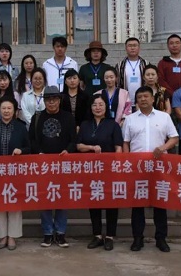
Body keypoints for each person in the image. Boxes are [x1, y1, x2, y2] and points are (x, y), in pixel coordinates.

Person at [123, 86, 179, 253]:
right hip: (137, 167)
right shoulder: (130, 119)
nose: (143, 99)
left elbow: (174, 137)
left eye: (146, 96)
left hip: (158, 166)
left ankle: (161, 238)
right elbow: (125, 142)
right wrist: (127, 161)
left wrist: (163, 148)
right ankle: (137, 238)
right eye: (140, 97)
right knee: (137, 204)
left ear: (153, 99)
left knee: (160, 203)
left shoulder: (164, 117)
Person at [29, 86, 77, 248]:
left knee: (62, 198)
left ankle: (61, 233)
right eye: (48, 99)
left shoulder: (68, 117)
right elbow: (31, 140)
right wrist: (39, 152)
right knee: (45, 198)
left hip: (63, 165)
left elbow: (73, 139)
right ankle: (48, 233)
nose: (51, 102)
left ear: (59, 100)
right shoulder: (37, 117)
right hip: (43, 166)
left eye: (55, 99)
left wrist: (68, 150)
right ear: (44, 101)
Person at [76, 95, 123, 251]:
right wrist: (91, 148)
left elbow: (118, 147)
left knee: (111, 203)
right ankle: (97, 235)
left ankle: (109, 236)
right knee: (94, 202)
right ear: (90, 108)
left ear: (106, 107)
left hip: (109, 170)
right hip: (91, 170)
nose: (97, 107)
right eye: (94, 104)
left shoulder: (113, 125)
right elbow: (78, 146)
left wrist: (117, 165)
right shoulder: (85, 125)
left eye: (101, 104)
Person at [0, 96, 30, 251]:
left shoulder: (21, 127)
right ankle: (3, 235)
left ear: (15, 111)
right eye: (3, 108)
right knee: (0, 203)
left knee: (14, 203)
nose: (6, 111)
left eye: (9, 108)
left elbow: (29, 148)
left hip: (15, 171)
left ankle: (13, 236)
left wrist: (21, 151)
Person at [114, 37, 150, 107]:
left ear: (139, 48)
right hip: (125, 102)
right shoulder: (120, 65)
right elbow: (116, 83)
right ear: (126, 48)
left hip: (143, 101)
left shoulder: (146, 64)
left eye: (135, 45)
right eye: (130, 46)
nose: (132, 48)